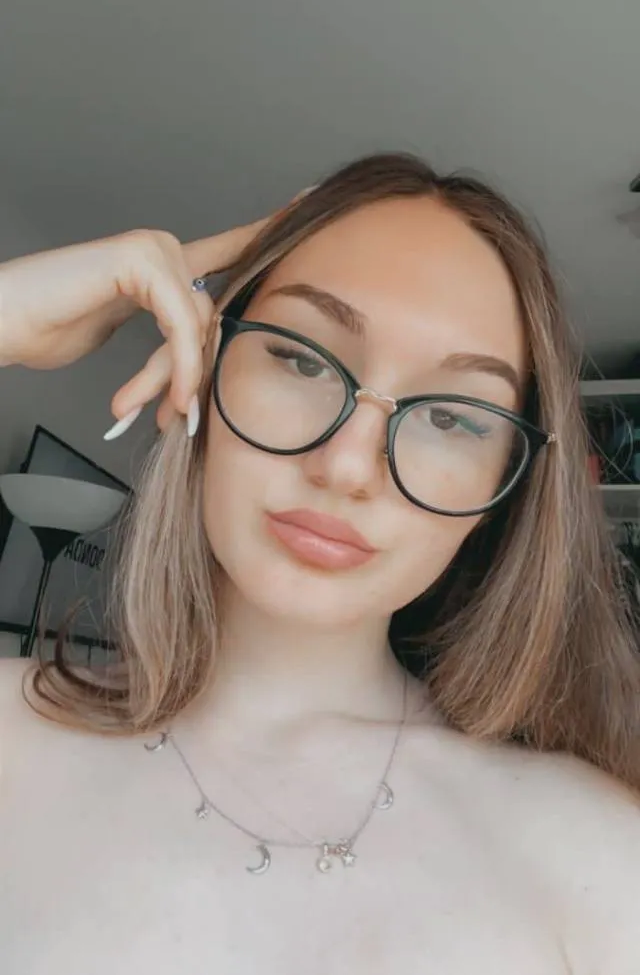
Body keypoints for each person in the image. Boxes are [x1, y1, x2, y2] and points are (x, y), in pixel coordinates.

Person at [0, 151, 638, 973]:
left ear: (502, 488)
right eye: (303, 358)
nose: (346, 466)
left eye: (450, 417)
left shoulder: (596, 854)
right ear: (202, 366)